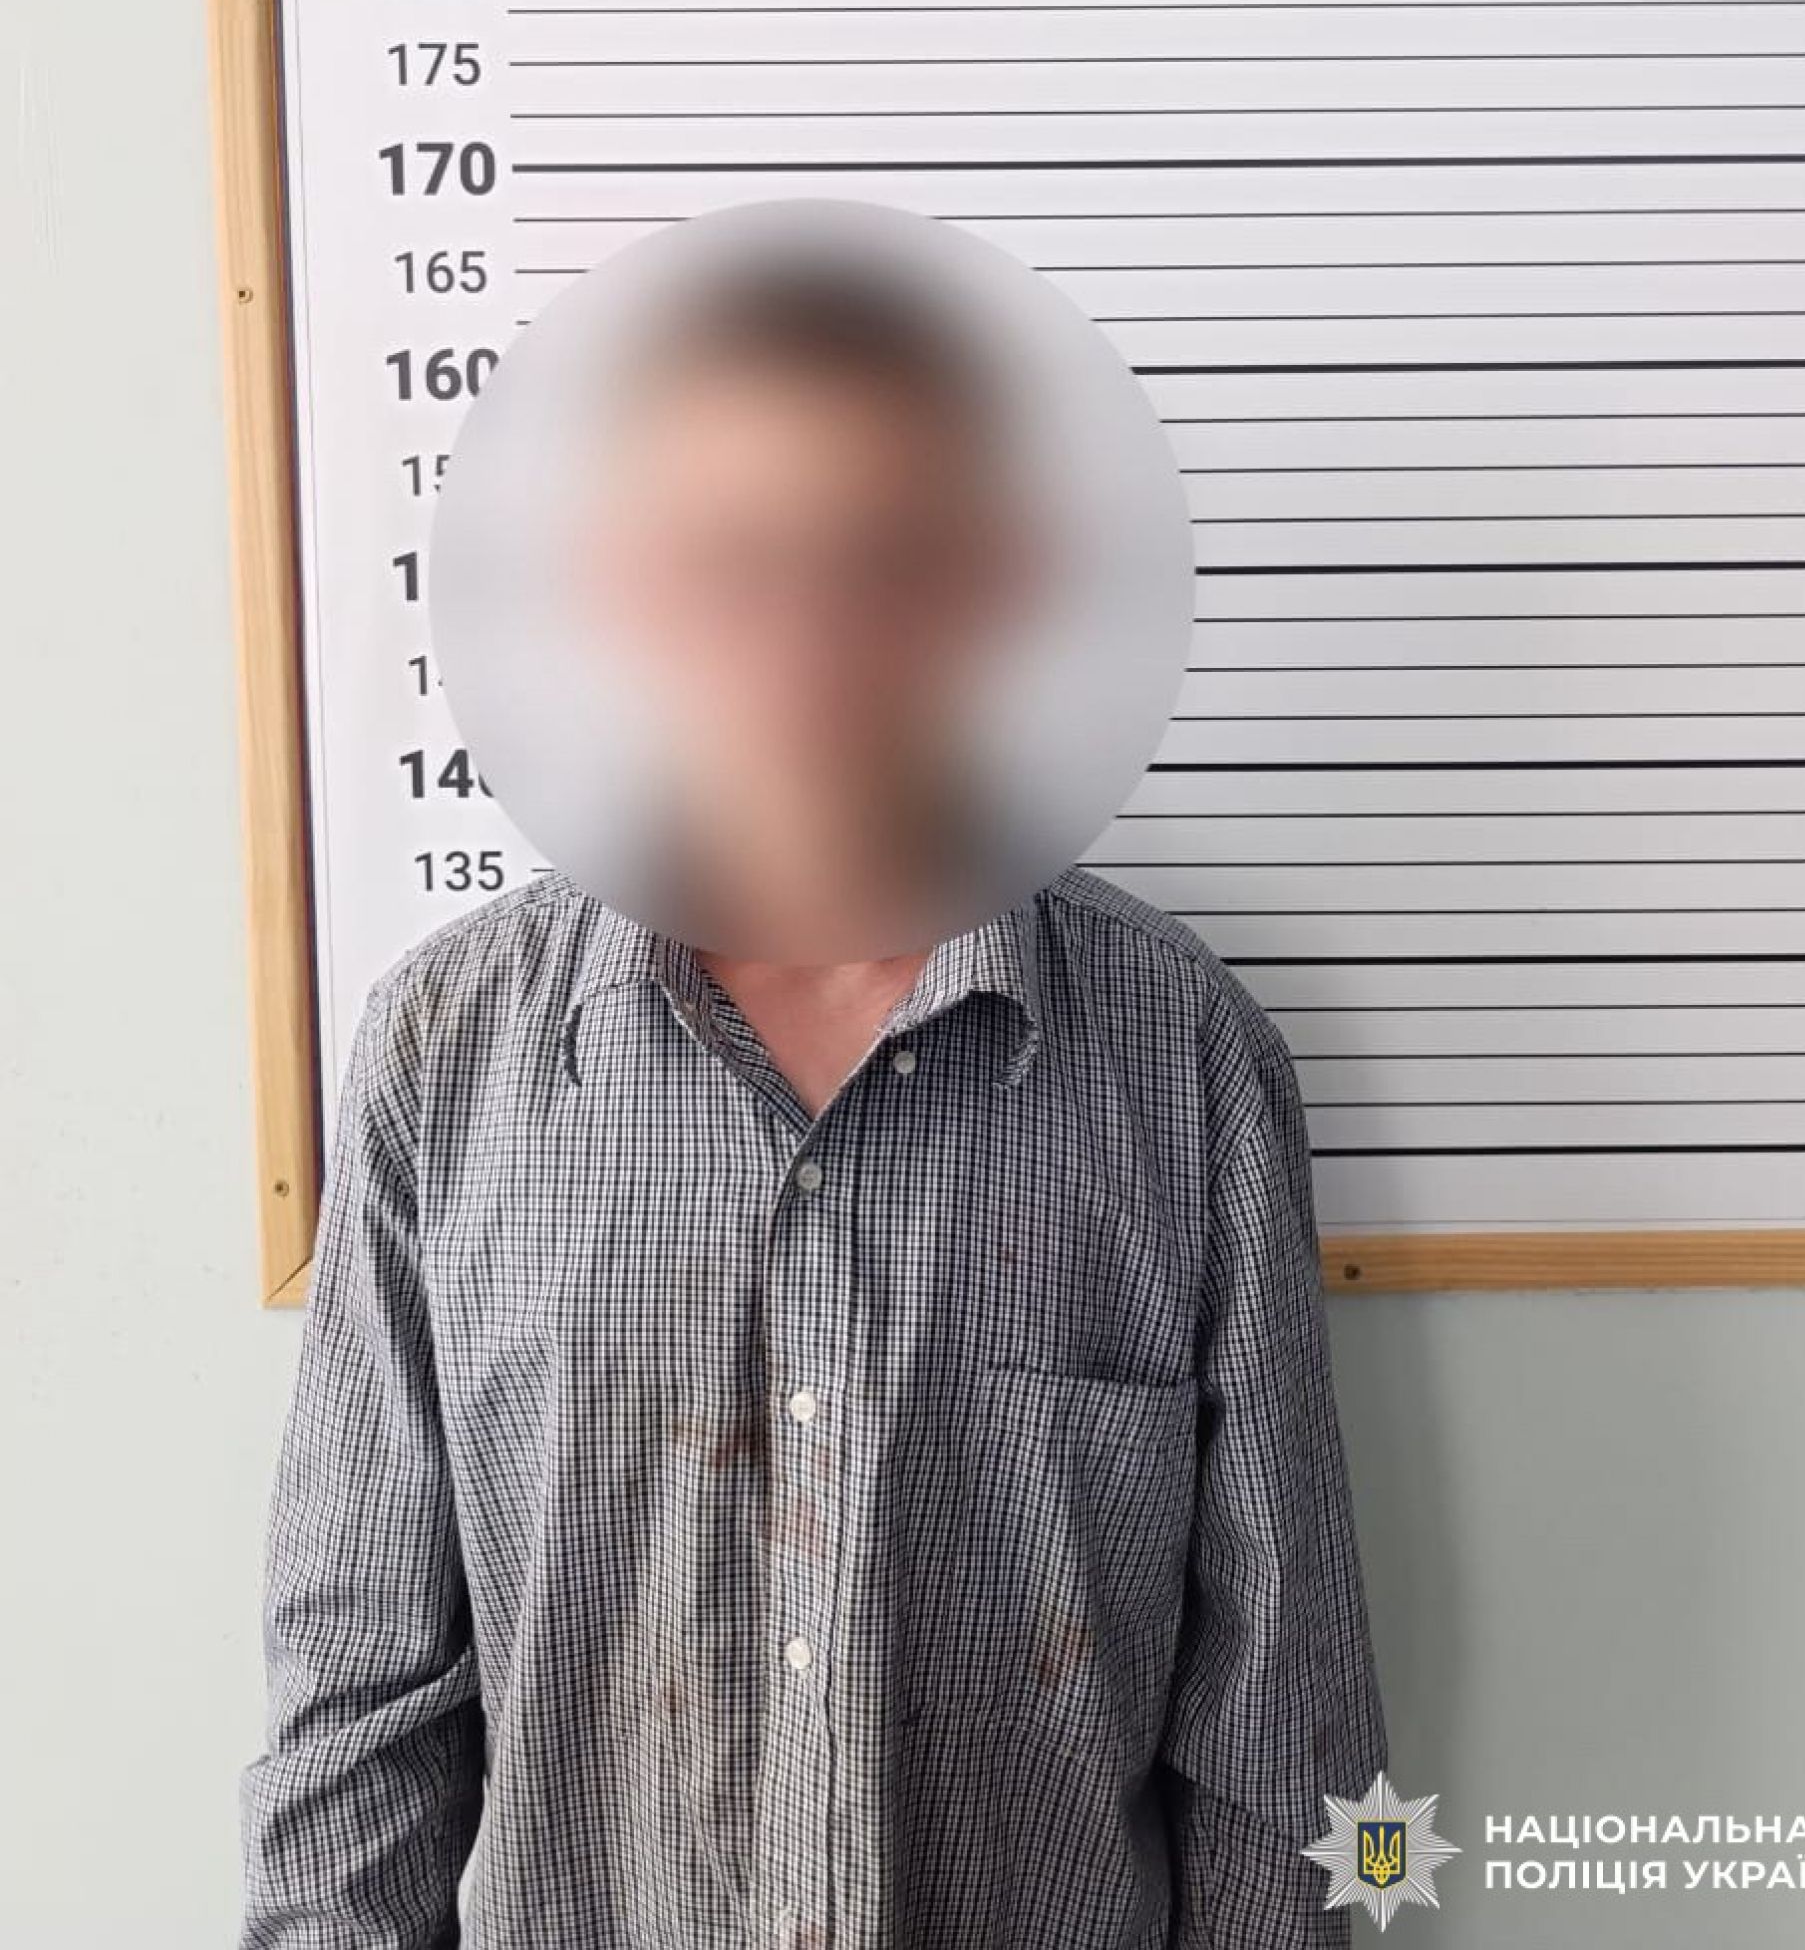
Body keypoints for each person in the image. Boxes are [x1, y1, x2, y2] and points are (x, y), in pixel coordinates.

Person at [239, 257, 1386, 1950]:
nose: (810, 644)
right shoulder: (447, 1052)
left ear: (996, 585)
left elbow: (1286, 1723)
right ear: (622, 588)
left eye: (890, 562)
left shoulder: (1182, 1053)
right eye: (732, 565)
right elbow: (358, 1697)